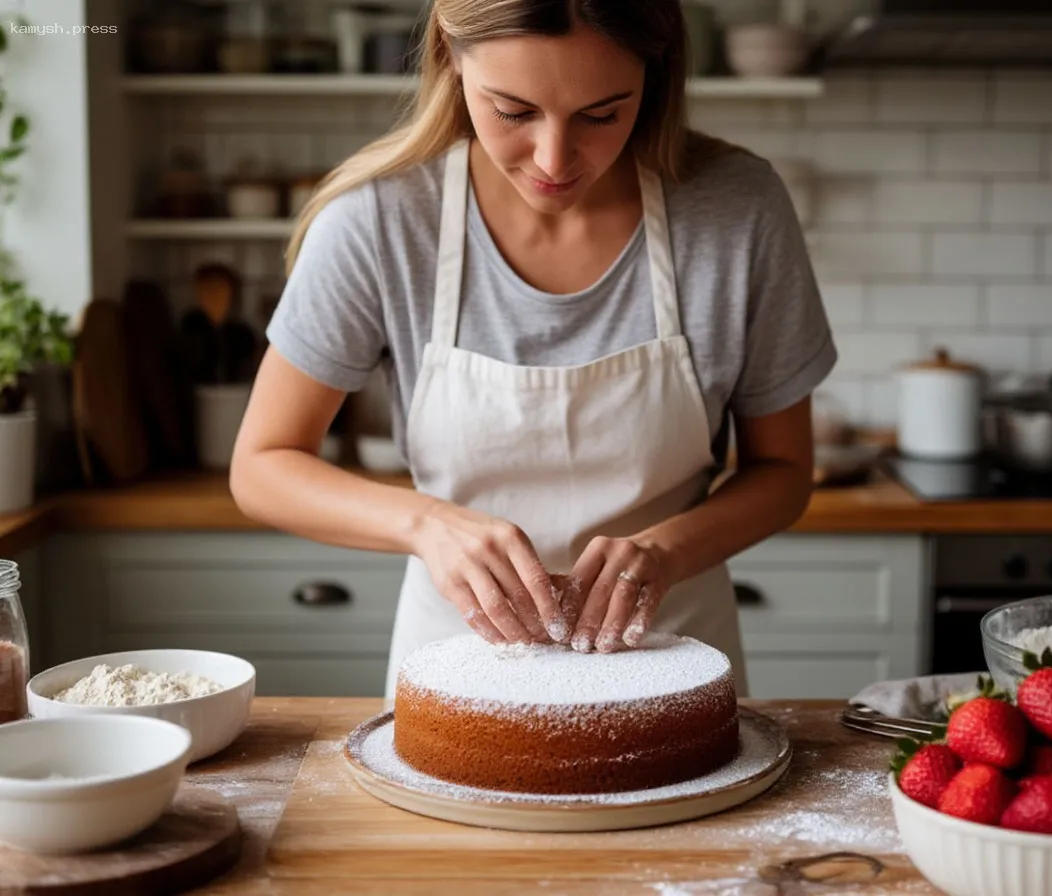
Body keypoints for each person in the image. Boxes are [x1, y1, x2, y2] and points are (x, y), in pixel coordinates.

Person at [229, 0, 838, 699]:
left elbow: (785, 470)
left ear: (657, 73)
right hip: (456, 668)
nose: (554, 159)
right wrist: (425, 525)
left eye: (602, 114)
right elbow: (262, 467)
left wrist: (667, 551)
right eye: (514, 112)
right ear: (450, 59)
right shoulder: (380, 221)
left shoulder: (737, 210)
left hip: (671, 661)